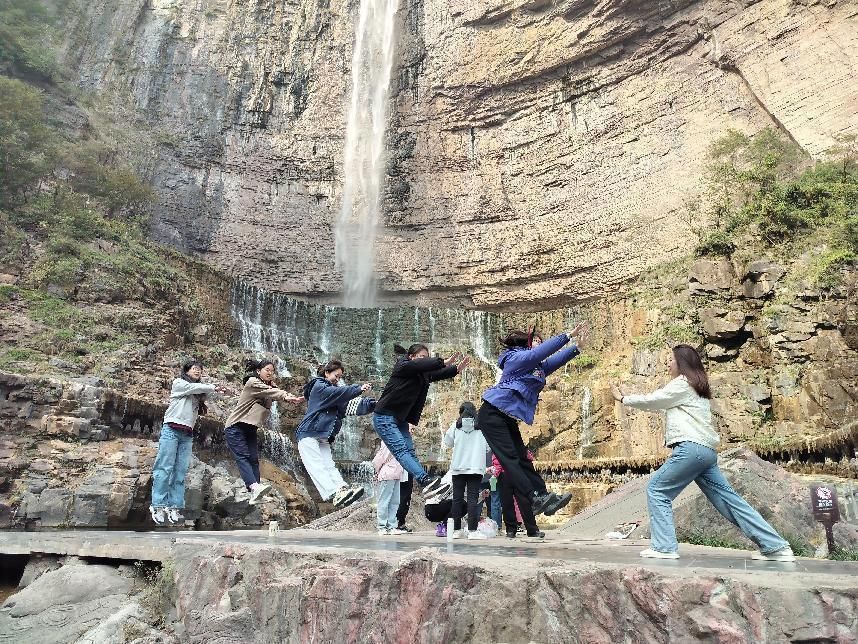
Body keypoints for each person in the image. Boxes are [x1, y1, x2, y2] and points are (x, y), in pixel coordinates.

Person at [612, 344, 795, 561]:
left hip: (690, 450)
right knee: (729, 500)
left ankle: (664, 547)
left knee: (657, 490)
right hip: (706, 452)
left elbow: (655, 400)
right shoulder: (697, 387)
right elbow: (662, 404)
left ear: (682, 363)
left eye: (671, 359)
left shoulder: (682, 383)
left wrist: (623, 399)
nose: (668, 363)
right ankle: (775, 547)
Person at [478, 325, 589, 516]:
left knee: (523, 458)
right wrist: (568, 335)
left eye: (541, 342)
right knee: (510, 459)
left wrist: (577, 348)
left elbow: (553, 362)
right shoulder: (515, 358)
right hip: (491, 414)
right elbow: (537, 355)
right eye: (536, 342)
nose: (540, 345)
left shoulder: (535, 367)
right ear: (527, 344)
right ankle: (533, 497)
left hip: (506, 416)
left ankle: (543, 496)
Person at [373, 343, 471, 498]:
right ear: (411, 357)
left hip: (400, 419)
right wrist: (442, 361)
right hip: (384, 417)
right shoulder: (402, 365)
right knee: (401, 450)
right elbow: (422, 366)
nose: (425, 360)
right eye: (422, 357)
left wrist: (455, 369)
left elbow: (436, 374)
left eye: (427, 358)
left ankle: (427, 482)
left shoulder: (422, 375)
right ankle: (424, 479)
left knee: (409, 451)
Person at [224, 359, 304, 504]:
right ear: (258, 371)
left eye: (272, 371)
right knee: (243, 457)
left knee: (254, 459)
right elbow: (271, 392)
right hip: (235, 427)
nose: (270, 373)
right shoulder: (252, 382)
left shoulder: (268, 386)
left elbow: (272, 393)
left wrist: (289, 397)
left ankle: (256, 494)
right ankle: (254, 487)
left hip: (250, 428)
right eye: (267, 370)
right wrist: (285, 395)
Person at [296, 360, 373, 507]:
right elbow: (337, 393)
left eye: (339, 377)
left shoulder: (335, 395)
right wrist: (357, 388)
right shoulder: (318, 386)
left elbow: (349, 406)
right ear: (326, 373)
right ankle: (333, 492)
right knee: (317, 465)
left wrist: (376, 404)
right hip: (308, 432)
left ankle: (342, 488)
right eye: (336, 376)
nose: (337, 379)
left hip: (323, 435)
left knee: (329, 465)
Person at [150, 359, 216, 526]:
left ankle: (174, 506)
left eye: (200, 369)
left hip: (187, 434)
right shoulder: (179, 384)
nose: (197, 371)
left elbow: (208, 393)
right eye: (194, 368)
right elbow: (196, 388)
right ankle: (157, 505)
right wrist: (213, 387)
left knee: (180, 471)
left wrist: (221, 390)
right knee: (164, 468)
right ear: (186, 371)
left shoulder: (198, 392)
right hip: (171, 430)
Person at [442, 402, 490, 540]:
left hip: (458, 467)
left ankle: (456, 530)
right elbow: (488, 447)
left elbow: (448, 442)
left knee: (457, 499)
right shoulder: (481, 427)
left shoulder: (455, 426)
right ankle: (472, 531)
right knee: (472, 499)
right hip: (475, 468)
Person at [491, 451, 543, 539]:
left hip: (507, 474)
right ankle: (531, 530)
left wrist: (496, 472)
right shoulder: (504, 446)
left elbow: (497, 461)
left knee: (513, 503)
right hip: (513, 474)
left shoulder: (503, 445)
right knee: (520, 502)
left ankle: (512, 530)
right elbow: (529, 457)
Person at [372, 442, 408, 535]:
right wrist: (377, 471)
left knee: (394, 502)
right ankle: (382, 526)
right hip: (387, 474)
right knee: (384, 501)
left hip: (397, 474)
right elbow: (380, 458)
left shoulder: (398, 440)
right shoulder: (388, 440)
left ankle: (391, 526)